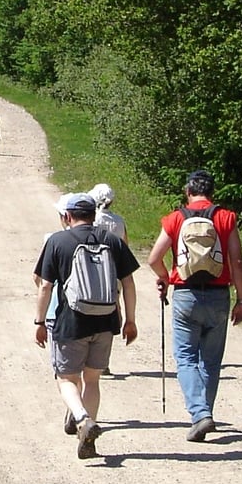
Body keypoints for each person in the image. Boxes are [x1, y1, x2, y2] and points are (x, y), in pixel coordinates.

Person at [34, 193, 141, 459]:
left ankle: (82, 419)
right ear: (94, 215)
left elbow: (45, 285)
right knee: (92, 380)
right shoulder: (112, 241)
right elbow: (128, 283)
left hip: (70, 322)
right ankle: (87, 437)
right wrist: (129, 320)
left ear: (67, 216)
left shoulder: (57, 241)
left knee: (66, 378)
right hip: (106, 320)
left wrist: (39, 322)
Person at [146, 169, 242, 442]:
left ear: (187, 192)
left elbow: (154, 258)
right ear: (212, 192)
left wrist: (165, 279)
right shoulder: (226, 218)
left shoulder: (175, 218)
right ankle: (205, 413)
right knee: (211, 361)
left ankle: (200, 414)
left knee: (187, 359)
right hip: (218, 295)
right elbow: (237, 261)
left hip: (185, 294)